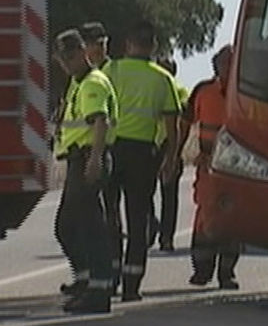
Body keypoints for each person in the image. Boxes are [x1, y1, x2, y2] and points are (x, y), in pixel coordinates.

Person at [100, 21, 182, 301]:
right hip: (142, 154)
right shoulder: (163, 79)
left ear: (127, 44)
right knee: (138, 219)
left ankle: (109, 277)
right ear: (154, 46)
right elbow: (172, 127)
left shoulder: (111, 70)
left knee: (110, 215)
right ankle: (132, 286)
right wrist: (171, 159)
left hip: (112, 150)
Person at [50, 28, 117, 314]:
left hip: (89, 157)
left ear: (82, 52)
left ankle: (99, 291)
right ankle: (86, 280)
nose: (66, 64)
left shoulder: (93, 83)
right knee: (67, 226)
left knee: (90, 228)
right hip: (78, 158)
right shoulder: (77, 83)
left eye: (70, 57)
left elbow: (100, 122)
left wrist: (95, 160)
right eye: (62, 60)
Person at [186, 45, 242, 289]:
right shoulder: (203, 91)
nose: (228, 67)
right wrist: (184, 154)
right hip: (208, 164)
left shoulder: (246, 93)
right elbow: (186, 122)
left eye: (232, 63)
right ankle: (202, 270)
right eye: (225, 63)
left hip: (237, 167)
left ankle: (226, 273)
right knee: (205, 215)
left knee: (232, 216)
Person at [152, 57, 188, 251]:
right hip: (153, 143)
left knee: (166, 193)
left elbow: (183, 120)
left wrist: (175, 152)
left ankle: (165, 236)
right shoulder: (152, 89)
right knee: (151, 193)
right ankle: (156, 229)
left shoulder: (179, 91)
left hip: (167, 143)